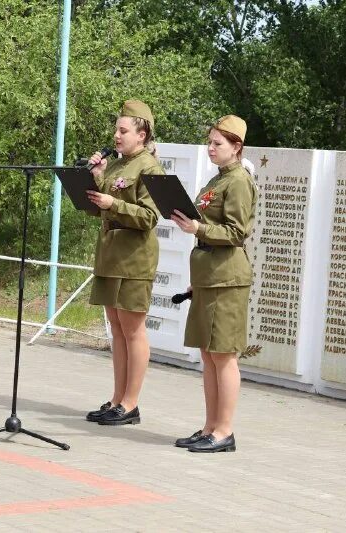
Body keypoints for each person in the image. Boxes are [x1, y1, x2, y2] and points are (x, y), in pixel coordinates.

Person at [170, 115, 257, 452]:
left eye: (217, 143)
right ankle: (209, 427)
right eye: (209, 142)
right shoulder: (216, 181)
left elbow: (237, 233)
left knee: (223, 355)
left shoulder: (238, 182)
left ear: (236, 147)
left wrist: (199, 229)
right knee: (208, 354)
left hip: (227, 277)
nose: (210, 148)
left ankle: (224, 431)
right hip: (208, 275)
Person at [84, 100, 164, 426]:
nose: (116, 136)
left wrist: (113, 202)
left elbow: (149, 216)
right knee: (116, 330)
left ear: (141, 134)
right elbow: (101, 205)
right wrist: (96, 178)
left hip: (134, 258)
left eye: (123, 130)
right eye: (116, 130)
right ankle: (117, 399)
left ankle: (131, 403)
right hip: (110, 253)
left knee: (132, 330)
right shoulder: (116, 165)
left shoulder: (151, 169)